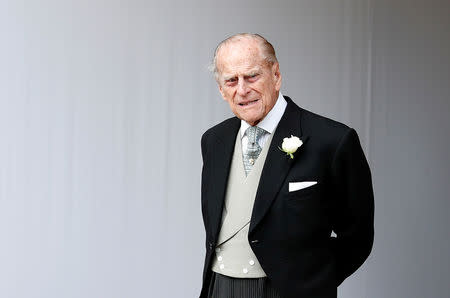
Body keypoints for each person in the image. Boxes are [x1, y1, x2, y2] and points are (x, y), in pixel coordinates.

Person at [199, 33, 374, 298]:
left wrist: (311, 282)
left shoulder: (333, 140)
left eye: (252, 76)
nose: (242, 90)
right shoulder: (213, 140)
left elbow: (358, 237)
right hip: (219, 287)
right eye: (232, 80)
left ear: (276, 75)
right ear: (222, 90)